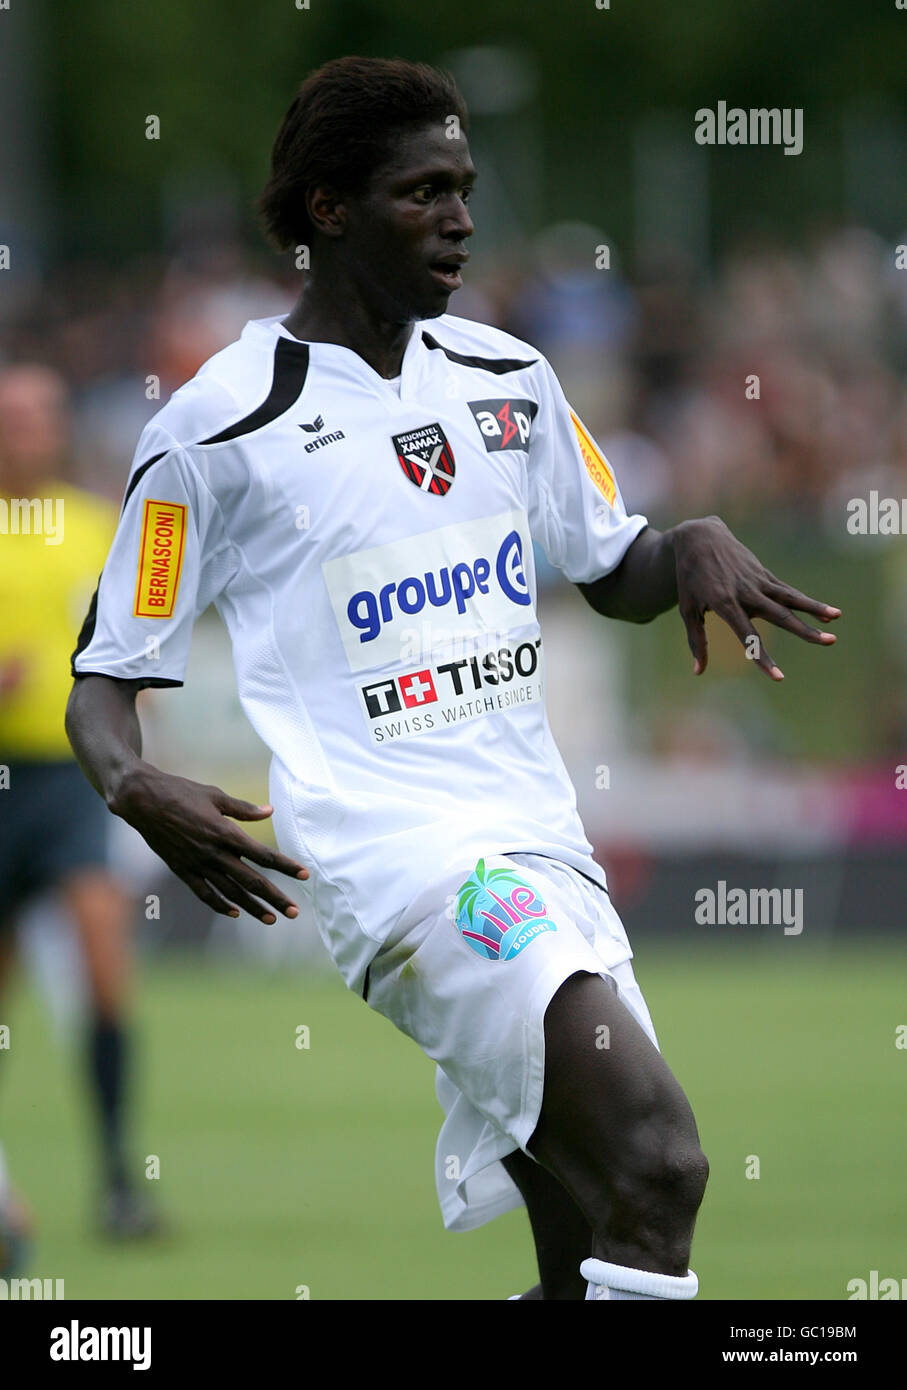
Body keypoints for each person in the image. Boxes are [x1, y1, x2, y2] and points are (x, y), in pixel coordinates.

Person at [65, 57, 839, 1300]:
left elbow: (610, 561)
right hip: (401, 858)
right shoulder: (216, 426)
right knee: (659, 1159)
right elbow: (104, 676)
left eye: (465, 188)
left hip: (539, 839)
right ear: (328, 208)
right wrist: (133, 784)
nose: (462, 218)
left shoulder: (507, 380)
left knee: (596, 1237)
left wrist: (684, 544)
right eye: (426, 191)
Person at [0, 364, 161, 1240]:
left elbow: (138, 640)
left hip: (68, 781)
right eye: (10, 418)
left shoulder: (97, 527)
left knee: (104, 960)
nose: (24, 432)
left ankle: (118, 1184)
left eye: (37, 416)